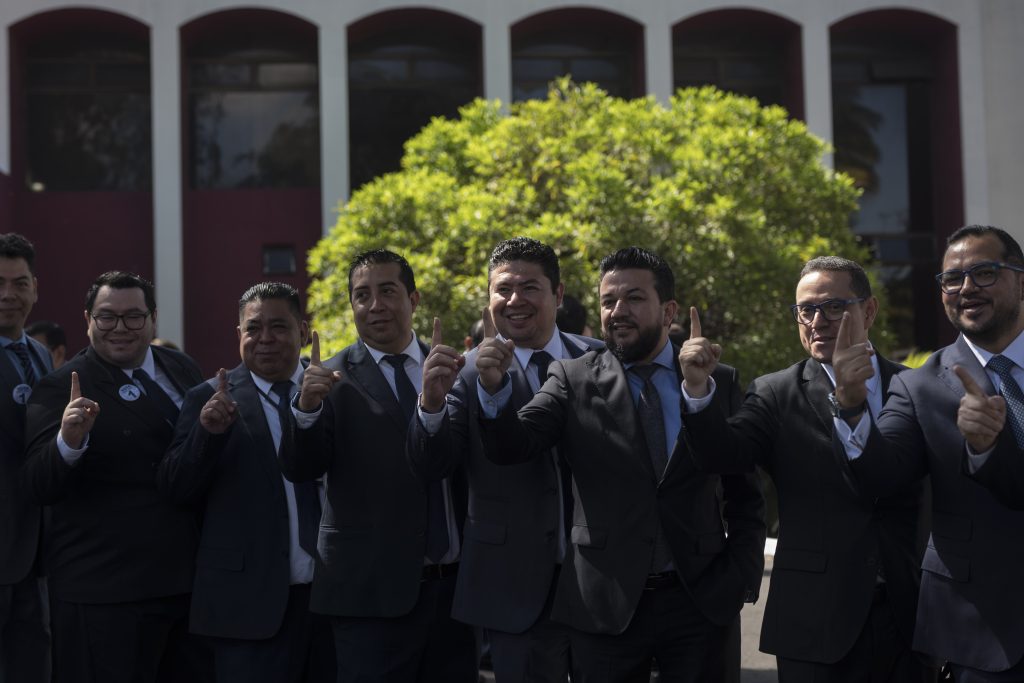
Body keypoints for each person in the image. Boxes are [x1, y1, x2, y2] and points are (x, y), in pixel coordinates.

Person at [475, 246, 765, 682]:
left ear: (667, 310)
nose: (617, 312)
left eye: (633, 298)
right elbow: (514, 445)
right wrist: (493, 390)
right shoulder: (571, 378)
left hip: (700, 603)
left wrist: (739, 575)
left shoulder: (716, 380)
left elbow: (744, 489)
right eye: (608, 301)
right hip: (604, 607)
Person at [679, 256, 932, 682]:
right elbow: (725, 455)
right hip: (814, 623)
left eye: (833, 307)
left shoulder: (912, 387)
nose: (817, 320)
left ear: (868, 311)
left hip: (906, 620)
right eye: (806, 310)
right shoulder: (776, 393)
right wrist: (699, 392)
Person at [832, 225, 1024, 681]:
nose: (966, 288)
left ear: (1021, 280)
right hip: (980, 636)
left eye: (984, 272)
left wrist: (990, 447)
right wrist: (851, 406)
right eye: (951, 279)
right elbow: (881, 480)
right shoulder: (917, 386)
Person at [409, 237, 604, 682]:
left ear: (557, 294)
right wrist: (432, 404)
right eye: (503, 290)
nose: (514, 300)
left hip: (600, 578)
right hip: (512, 582)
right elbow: (432, 465)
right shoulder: (464, 371)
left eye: (529, 288)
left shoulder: (600, 360)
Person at [281, 249, 477, 682]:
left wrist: (433, 403)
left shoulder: (452, 373)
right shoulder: (327, 380)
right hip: (368, 598)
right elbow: (300, 466)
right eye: (362, 295)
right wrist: (307, 410)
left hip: (455, 596)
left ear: (414, 298)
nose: (375, 305)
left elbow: (448, 463)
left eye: (387, 291)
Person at [24, 270, 204, 683]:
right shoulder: (59, 388)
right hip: (103, 595)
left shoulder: (182, 367)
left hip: (184, 585)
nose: (120, 328)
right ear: (87, 320)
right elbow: (36, 483)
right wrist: (67, 442)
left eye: (134, 317)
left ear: (153, 319)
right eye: (106, 317)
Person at [159, 282, 334, 683]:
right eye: (254, 329)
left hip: (333, 603)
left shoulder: (334, 391)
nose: (266, 339)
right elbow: (175, 488)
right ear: (239, 335)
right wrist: (208, 434)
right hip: (246, 610)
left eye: (279, 327)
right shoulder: (207, 400)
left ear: (303, 332)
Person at [0, 233, 52, 683]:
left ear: (35, 287)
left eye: (19, 283)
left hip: (38, 557)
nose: (7, 295)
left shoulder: (39, 355)